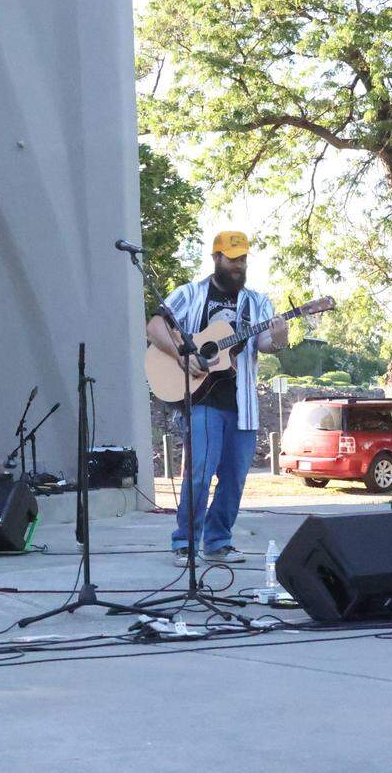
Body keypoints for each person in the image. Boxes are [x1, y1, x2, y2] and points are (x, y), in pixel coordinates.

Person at [146, 230, 289, 566]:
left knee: (235, 477)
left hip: (243, 406)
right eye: (232, 258)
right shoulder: (191, 294)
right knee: (198, 473)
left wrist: (280, 337)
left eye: (242, 259)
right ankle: (185, 541)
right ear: (216, 258)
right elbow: (154, 326)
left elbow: (266, 344)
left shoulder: (257, 302)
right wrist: (183, 356)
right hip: (203, 400)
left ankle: (217, 541)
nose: (238, 265)